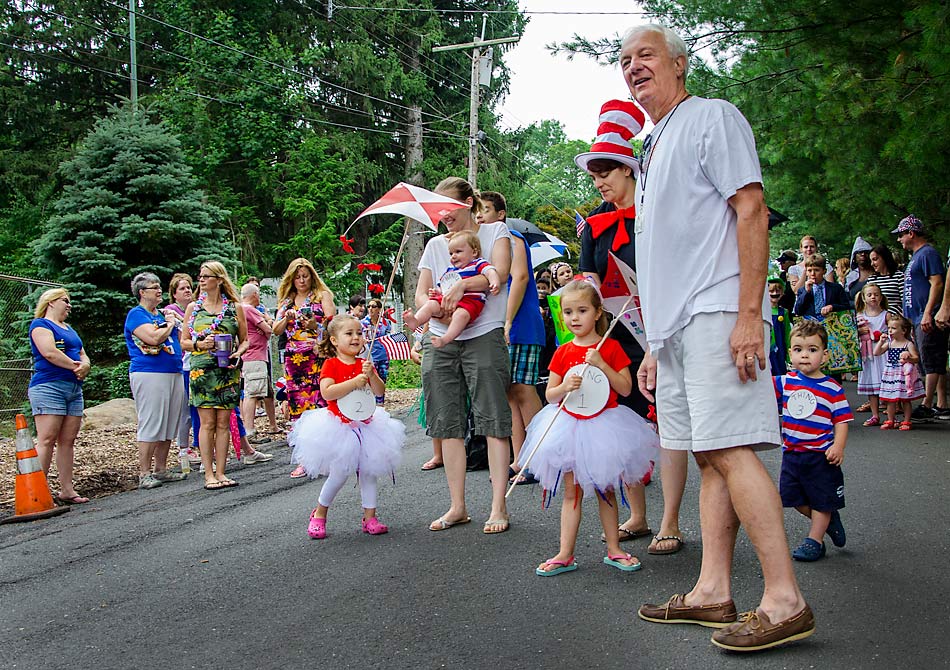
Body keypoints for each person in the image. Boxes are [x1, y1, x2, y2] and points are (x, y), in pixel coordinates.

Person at [622, 24, 812, 651]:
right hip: (676, 328)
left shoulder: (711, 116)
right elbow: (667, 249)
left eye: (645, 55)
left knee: (730, 448)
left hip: (717, 311)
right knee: (706, 454)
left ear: (679, 64)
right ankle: (712, 590)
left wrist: (749, 313)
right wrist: (654, 339)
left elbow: (750, 208)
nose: (633, 67)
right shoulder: (651, 142)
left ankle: (784, 599)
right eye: (624, 60)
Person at [574, 98, 687, 555]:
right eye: (594, 173)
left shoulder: (657, 216)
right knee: (625, 425)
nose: (599, 181)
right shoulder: (593, 228)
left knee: (669, 425)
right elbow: (587, 285)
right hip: (616, 340)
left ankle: (671, 520)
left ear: (629, 170)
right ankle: (638, 515)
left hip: (663, 334)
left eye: (606, 171)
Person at [519, 281, 658, 576]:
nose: (574, 318)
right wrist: (565, 386)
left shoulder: (611, 347)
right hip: (570, 428)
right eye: (568, 312)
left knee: (606, 489)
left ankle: (614, 548)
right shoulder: (562, 352)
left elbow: (624, 387)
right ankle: (565, 553)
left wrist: (602, 364)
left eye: (582, 310)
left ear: (597, 313)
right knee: (572, 493)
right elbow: (550, 395)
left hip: (604, 425)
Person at [413, 176, 513, 535]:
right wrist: (433, 310)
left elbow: (498, 274)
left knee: (493, 419)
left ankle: (498, 505)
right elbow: (421, 294)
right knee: (446, 421)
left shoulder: (495, 232)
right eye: (438, 211)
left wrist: (462, 283)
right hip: (440, 337)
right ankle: (458, 506)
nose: (444, 217)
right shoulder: (436, 246)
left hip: (484, 334)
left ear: (470, 201)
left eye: (450, 208)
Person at [289, 315, 404, 539]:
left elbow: (379, 392)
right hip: (339, 426)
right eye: (349, 334)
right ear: (334, 340)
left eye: (359, 333)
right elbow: (327, 392)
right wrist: (354, 382)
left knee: (369, 473)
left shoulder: (364, 364)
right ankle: (320, 513)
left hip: (367, 425)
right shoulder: (331, 364)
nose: (356, 338)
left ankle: (370, 517)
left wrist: (371, 376)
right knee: (339, 474)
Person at [478, 190, 546, 484]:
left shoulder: (511, 236)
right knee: (510, 394)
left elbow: (519, 278)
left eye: (486, 210)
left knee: (524, 390)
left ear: (501, 214)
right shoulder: (489, 243)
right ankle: (520, 459)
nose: (480, 215)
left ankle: (541, 455)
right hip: (502, 323)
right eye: (477, 210)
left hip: (521, 322)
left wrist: (507, 319)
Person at [775, 320, 852, 562]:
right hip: (792, 454)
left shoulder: (832, 389)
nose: (804, 355)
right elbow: (758, 386)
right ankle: (828, 519)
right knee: (793, 498)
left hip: (821, 455)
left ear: (825, 354)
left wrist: (838, 446)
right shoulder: (786, 382)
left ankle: (814, 540)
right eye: (798, 350)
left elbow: (842, 420)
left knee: (820, 499)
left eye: (812, 349)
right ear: (790, 353)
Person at [181, 262, 249, 490]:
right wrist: (199, 344)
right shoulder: (193, 309)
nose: (200, 280)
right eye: (199, 276)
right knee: (206, 422)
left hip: (226, 370)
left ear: (219, 280)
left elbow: (245, 339)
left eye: (206, 276)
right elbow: (184, 342)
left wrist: (238, 353)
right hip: (202, 371)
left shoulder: (234, 308)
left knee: (224, 423)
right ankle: (208, 473)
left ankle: (221, 472)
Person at [125, 272, 189, 490]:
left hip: (173, 370)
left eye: (159, 286)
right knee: (152, 421)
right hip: (149, 372)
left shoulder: (162, 315)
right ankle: (144, 472)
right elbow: (153, 338)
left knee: (170, 421)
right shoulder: (137, 314)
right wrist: (170, 324)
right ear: (142, 292)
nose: (159, 290)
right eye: (154, 287)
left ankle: (161, 469)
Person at [272, 258, 336, 477]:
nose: (301, 280)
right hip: (294, 360)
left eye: (305, 276)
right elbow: (276, 330)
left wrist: (315, 326)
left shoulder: (322, 296)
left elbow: (333, 328)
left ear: (312, 276)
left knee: (321, 403)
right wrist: (286, 318)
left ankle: (328, 456)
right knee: (299, 408)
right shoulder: (287, 301)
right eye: (297, 277)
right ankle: (305, 459)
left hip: (317, 356)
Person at [28, 288, 91, 504]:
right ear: (51, 302)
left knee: (68, 440)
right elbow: (49, 352)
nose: (69, 305)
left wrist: (86, 365)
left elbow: (82, 352)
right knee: (47, 439)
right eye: (65, 300)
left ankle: (67, 490)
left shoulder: (69, 329)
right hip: (49, 386)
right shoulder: (40, 325)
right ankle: (37, 492)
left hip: (73, 389)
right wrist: (76, 367)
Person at [404, 230, 501, 347]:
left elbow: (490, 271)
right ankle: (416, 321)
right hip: (448, 300)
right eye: (451, 253)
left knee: (460, 316)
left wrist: (494, 282)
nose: (453, 256)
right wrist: (436, 292)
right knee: (431, 305)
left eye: (458, 252)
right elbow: (443, 286)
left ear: (474, 252)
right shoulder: (451, 270)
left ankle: (445, 338)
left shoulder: (477, 263)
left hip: (470, 301)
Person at [894, 215, 948, 421]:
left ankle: (926, 404)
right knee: (933, 359)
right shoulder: (915, 256)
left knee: (930, 358)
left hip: (928, 316)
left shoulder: (927, 253)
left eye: (901, 235)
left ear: (911, 233)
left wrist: (928, 312)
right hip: (916, 316)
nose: (899, 239)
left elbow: (937, 283)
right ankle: (941, 403)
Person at [163, 273, 201, 467]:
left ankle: (198, 445)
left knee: (197, 408)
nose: (187, 291)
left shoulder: (198, 309)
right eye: (182, 288)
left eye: (188, 287)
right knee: (186, 409)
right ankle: (183, 449)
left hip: (197, 361)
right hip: (183, 362)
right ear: (174, 294)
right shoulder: (171, 310)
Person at [240, 282, 279, 449]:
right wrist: (265, 327)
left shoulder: (240, 309)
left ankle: (249, 429)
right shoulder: (249, 309)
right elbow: (268, 329)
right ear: (254, 294)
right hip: (254, 355)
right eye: (258, 294)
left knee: (253, 391)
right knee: (252, 393)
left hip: (251, 356)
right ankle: (249, 430)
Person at [875, 313, 925, 429]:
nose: (890, 331)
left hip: (903, 374)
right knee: (890, 399)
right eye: (889, 328)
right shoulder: (890, 344)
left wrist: (908, 358)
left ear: (903, 331)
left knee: (905, 399)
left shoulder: (908, 344)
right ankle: (890, 420)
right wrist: (881, 342)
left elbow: (916, 358)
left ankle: (907, 421)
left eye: (893, 328)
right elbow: (876, 352)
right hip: (891, 373)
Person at [855, 283, 888, 426]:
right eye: (869, 295)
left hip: (883, 351)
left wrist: (883, 336)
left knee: (887, 382)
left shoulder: (886, 315)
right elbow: (853, 335)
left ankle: (891, 414)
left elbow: (894, 331)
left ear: (881, 297)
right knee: (872, 384)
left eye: (876, 294)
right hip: (867, 353)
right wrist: (860, 333)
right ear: (863, 298)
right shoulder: (860, 316)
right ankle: (875, 415)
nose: (873, 297)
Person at [793, 254, 851, 319]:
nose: (813, 274)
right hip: (811, 326)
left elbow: (847, 307)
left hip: (831, 324)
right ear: (806, 272)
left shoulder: (836, 288)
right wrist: (806, 292)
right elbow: (797, 311)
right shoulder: (802, 290)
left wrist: (832, 307)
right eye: (809, 270)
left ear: (824, 271)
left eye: (816, 270)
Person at [361, 298, 392, 405]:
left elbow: (388, 337)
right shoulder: (362, 323)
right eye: (369, 306)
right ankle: (369, 404)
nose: (370, 309)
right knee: (368, 381)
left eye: (374, 306)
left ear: (379, 309)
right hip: (369, 356)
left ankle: (380, 404)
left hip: (383, 356)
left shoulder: (385, 323)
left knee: (381, 380)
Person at [868, 244, 904, 316]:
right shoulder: (871, 279)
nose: (872, 264)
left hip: (895, 319)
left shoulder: (899, 277)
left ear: (884, 258)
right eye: (871, 261)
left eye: (875, 259)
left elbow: (905, 302)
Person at [767, 272, 790, 376]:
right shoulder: (762, 311)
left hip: (779, 349)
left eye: (778, 290)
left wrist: (789, 354)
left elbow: (787, 333)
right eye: (771, 290)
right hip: (766, 348)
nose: (774, 293)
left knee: (779, 373)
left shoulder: (783, 312)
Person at [844, 236, 873, 301]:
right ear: (854, 257)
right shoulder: (850, 277)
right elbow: (846, 300)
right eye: (859, 252)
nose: (863, 254)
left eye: (866, 252)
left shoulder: (878, 273)